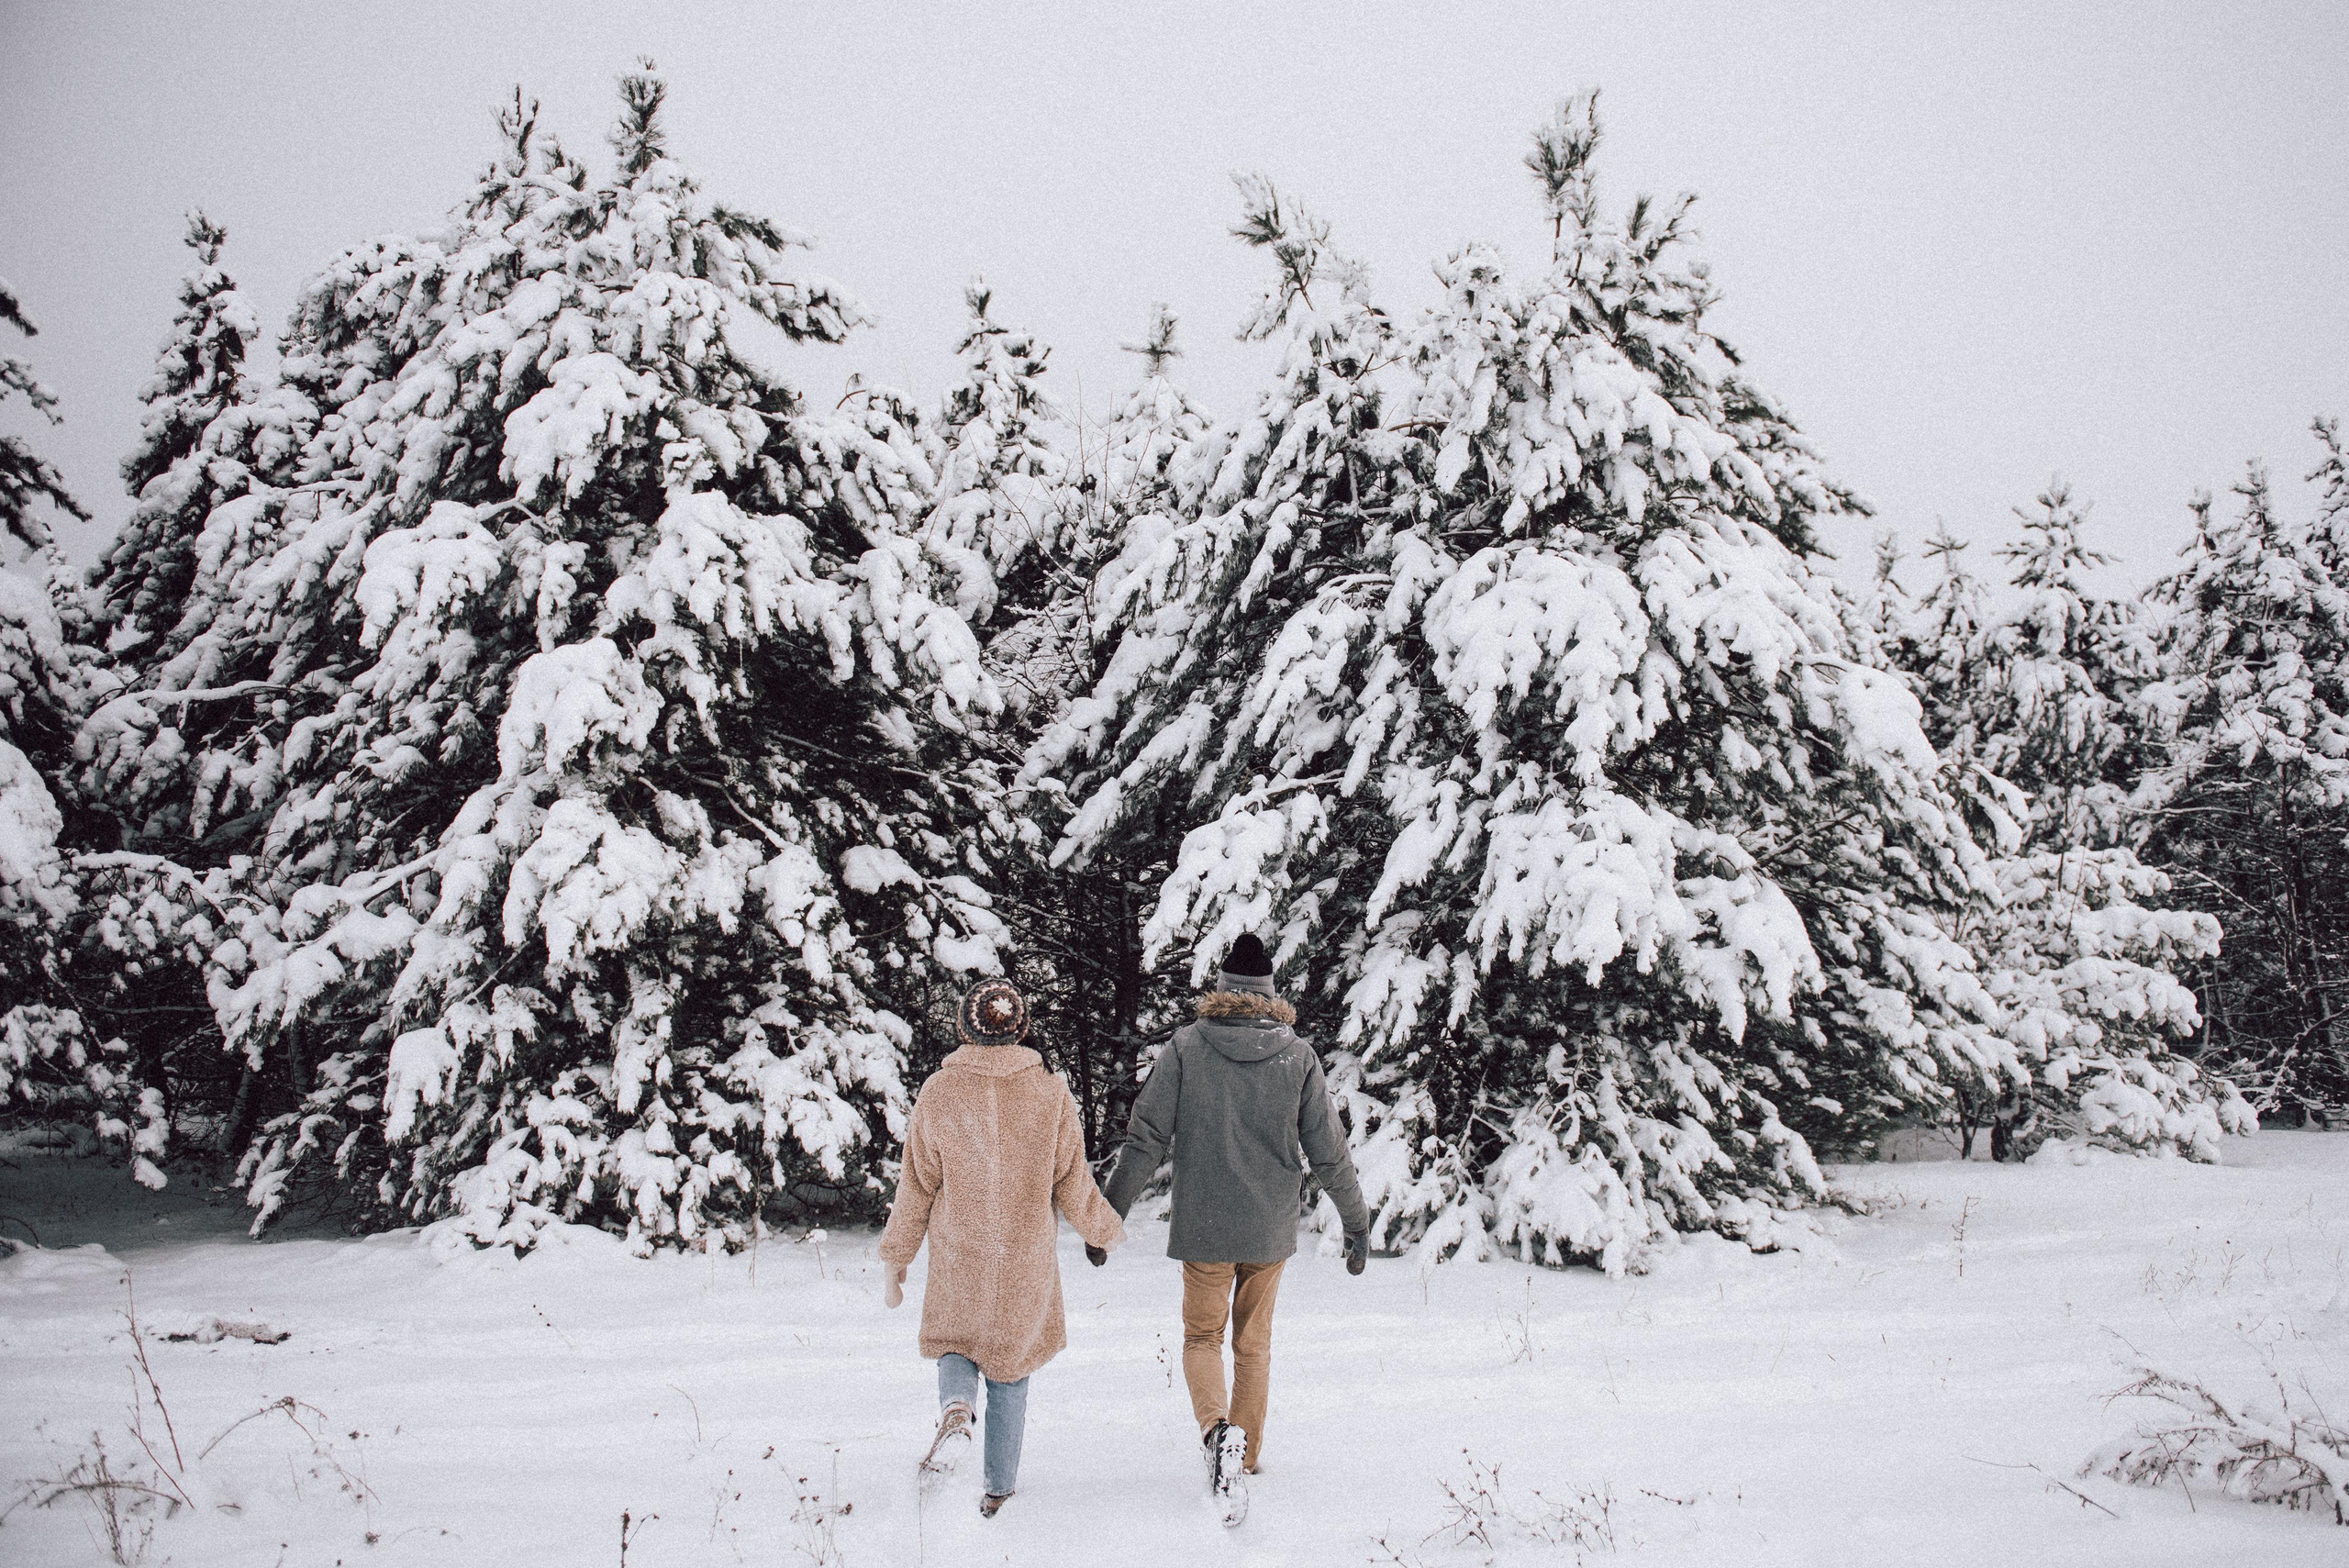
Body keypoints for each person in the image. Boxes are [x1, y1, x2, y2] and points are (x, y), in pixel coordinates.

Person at [1100, 932, 1372, 1526]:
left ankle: (1215, 1430)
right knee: (1253, 1343)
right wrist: (1356, 1221)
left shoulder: (1187, 1047)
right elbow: (1328, 1151)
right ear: (1270, 991)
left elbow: (1145, 1138)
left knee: (1202, 1338)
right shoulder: (1295, 1055)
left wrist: (1107, 1218)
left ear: (1223, 987)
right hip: (1268, 1228)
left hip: (1205, 1225)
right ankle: (1242, 1456)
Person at [879, 977, 1125, 1518]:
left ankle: (957, 1410)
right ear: (1020, 1029)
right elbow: (1073, 1182)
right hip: (1023, 1258)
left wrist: (898, 1258)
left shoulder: (939, 1092)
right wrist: (1102, 1231)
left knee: (955, 1340)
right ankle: (997, 1491)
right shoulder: (1049, 1092)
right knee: (1012, 1370)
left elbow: (916, 1185)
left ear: (966, 1028)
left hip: (959, 1251)